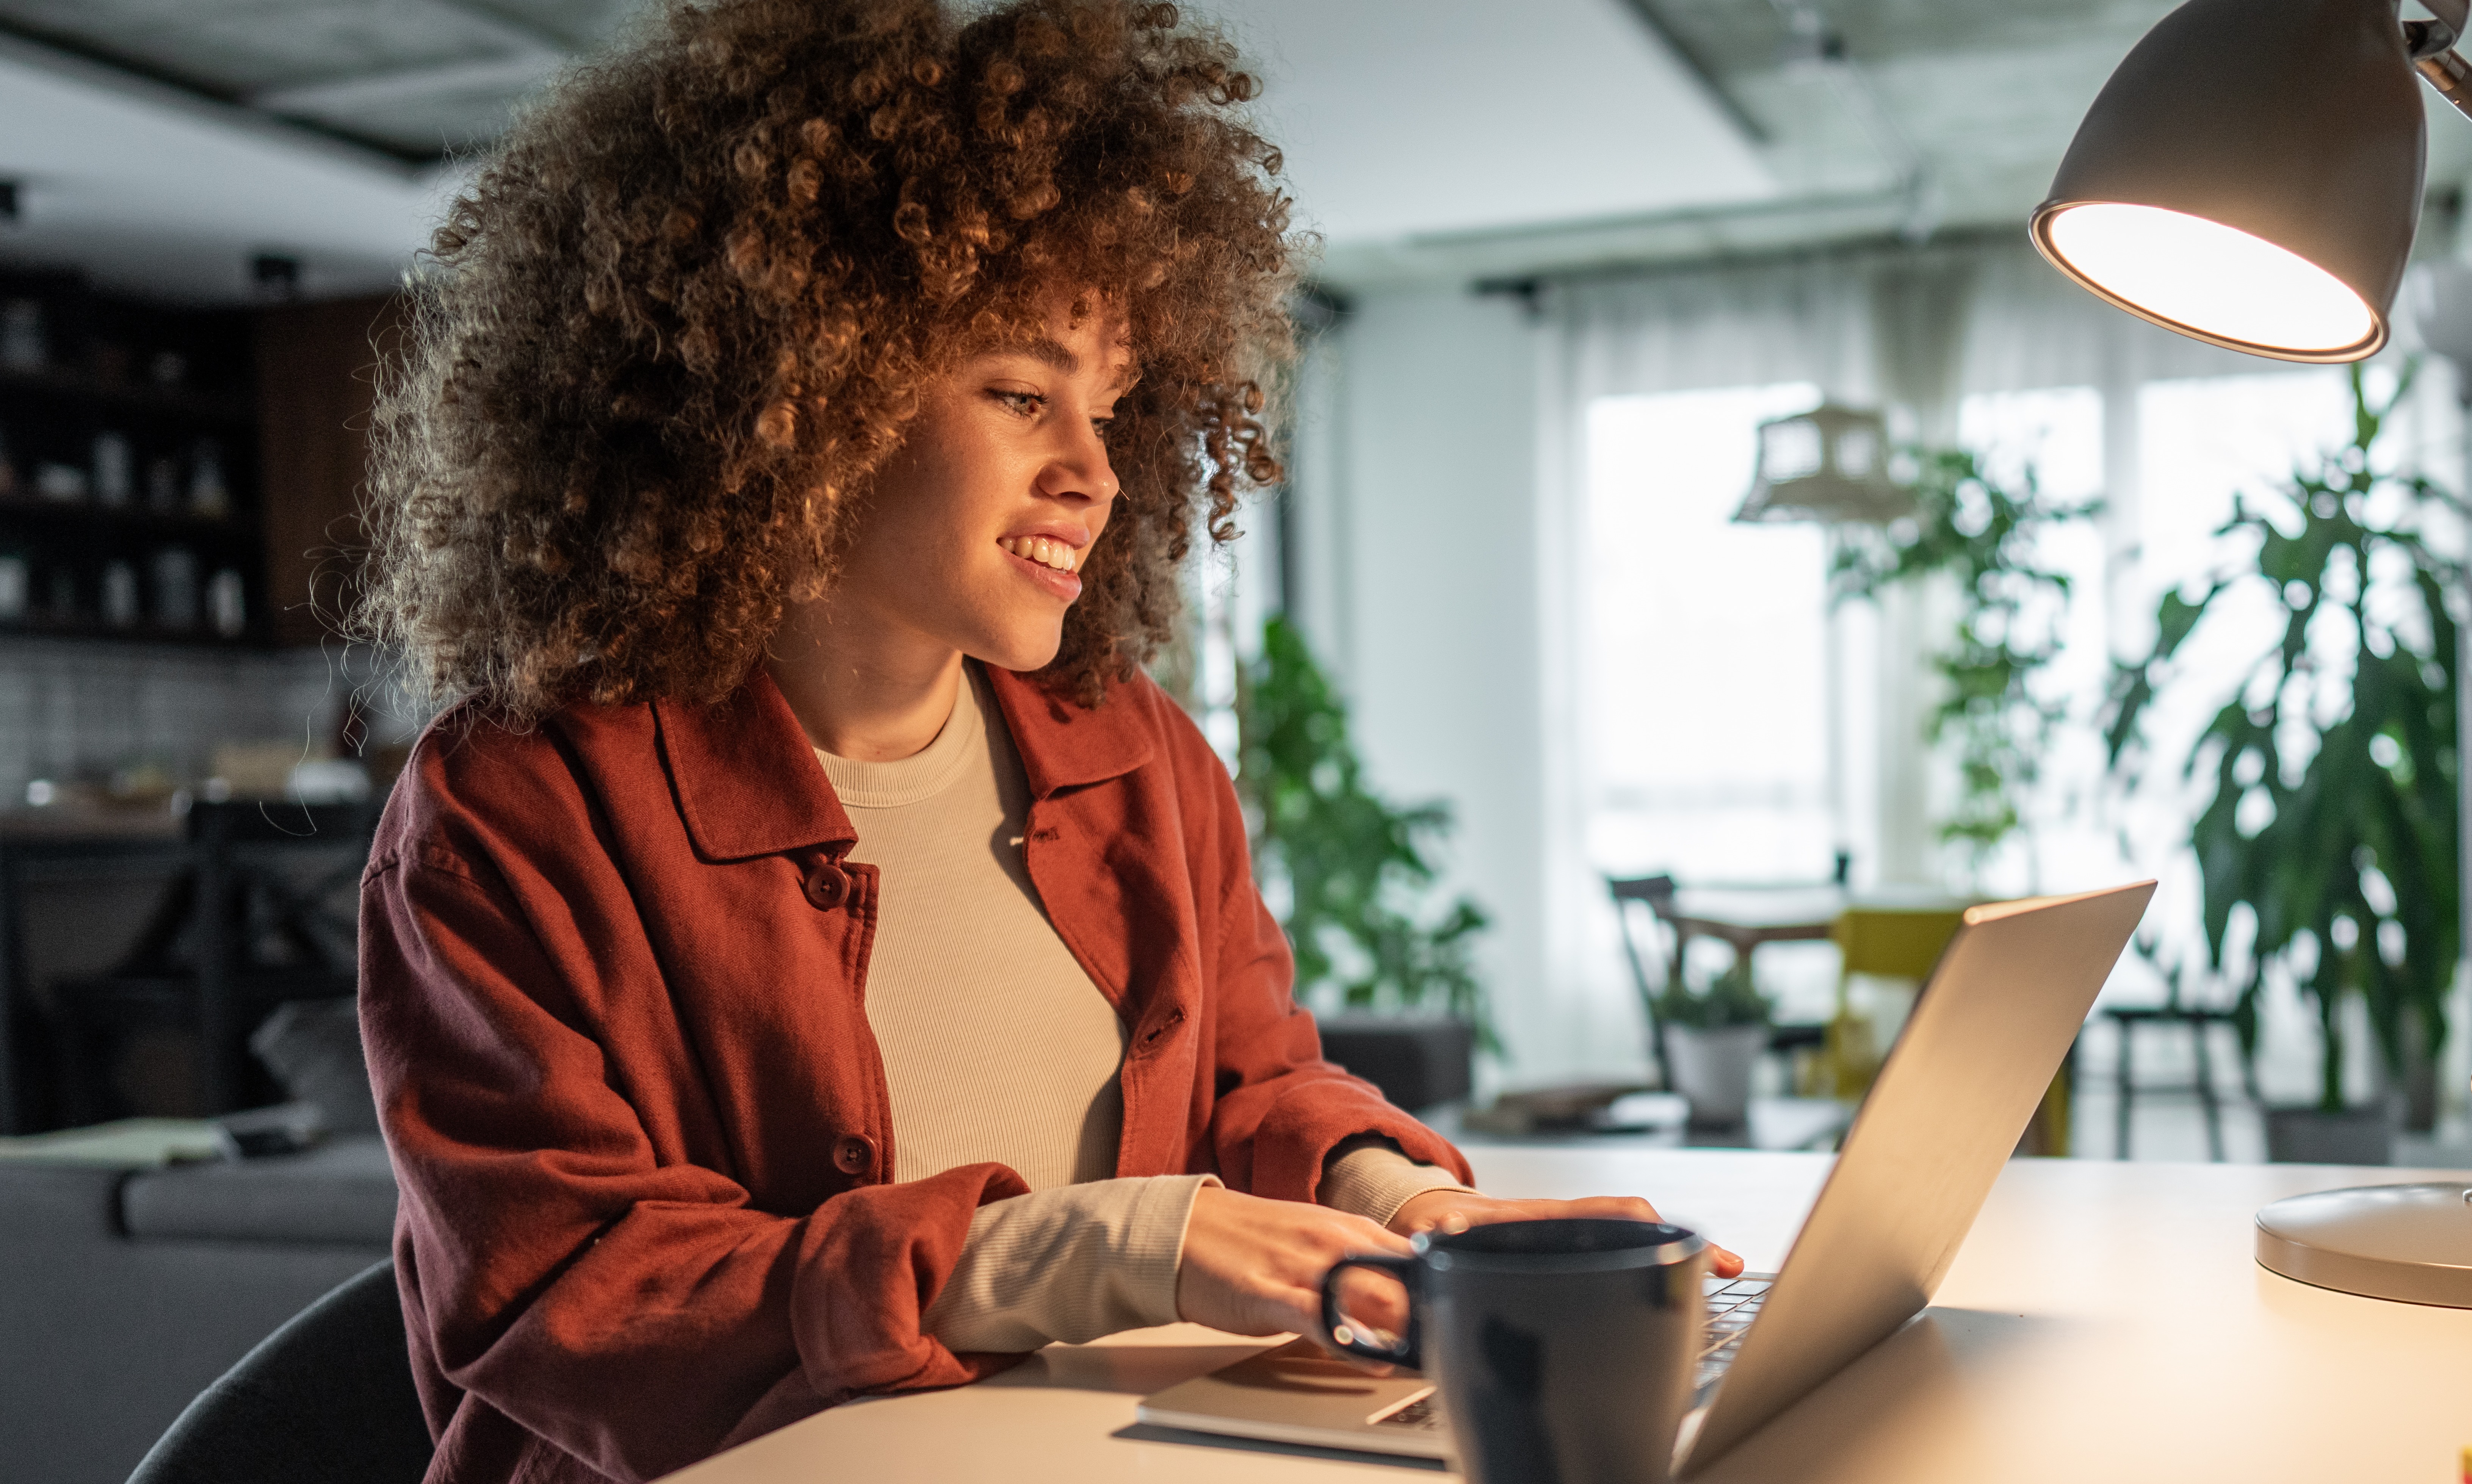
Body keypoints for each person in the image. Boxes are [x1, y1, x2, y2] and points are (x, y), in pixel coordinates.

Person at [351, 3, 1733, 1479]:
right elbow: (577, 1292)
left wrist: (1399, 1203)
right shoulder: (516, 810)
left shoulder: (1135, 752)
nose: (1096, 473)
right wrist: (1113, 1247)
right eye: (1022, 394)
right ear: (794, 395)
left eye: (1111, 410)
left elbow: (1252, 1083)